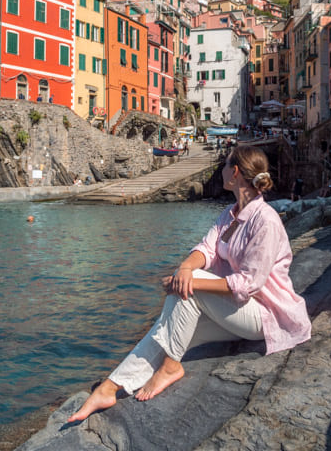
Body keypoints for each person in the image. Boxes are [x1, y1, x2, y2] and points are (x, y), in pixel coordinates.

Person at [68, 145, 311, 423]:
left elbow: (249, 284)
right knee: (167, 332)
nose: (221, 171)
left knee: (186, 291)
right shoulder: (230, 215)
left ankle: (171, 368)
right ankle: (110, 388)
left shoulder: (264, 220)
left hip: (264, 315)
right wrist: (185, 268)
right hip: (235, 311)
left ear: (234, 173)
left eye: (224, 166)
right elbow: (206, 250)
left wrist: (189, 281)